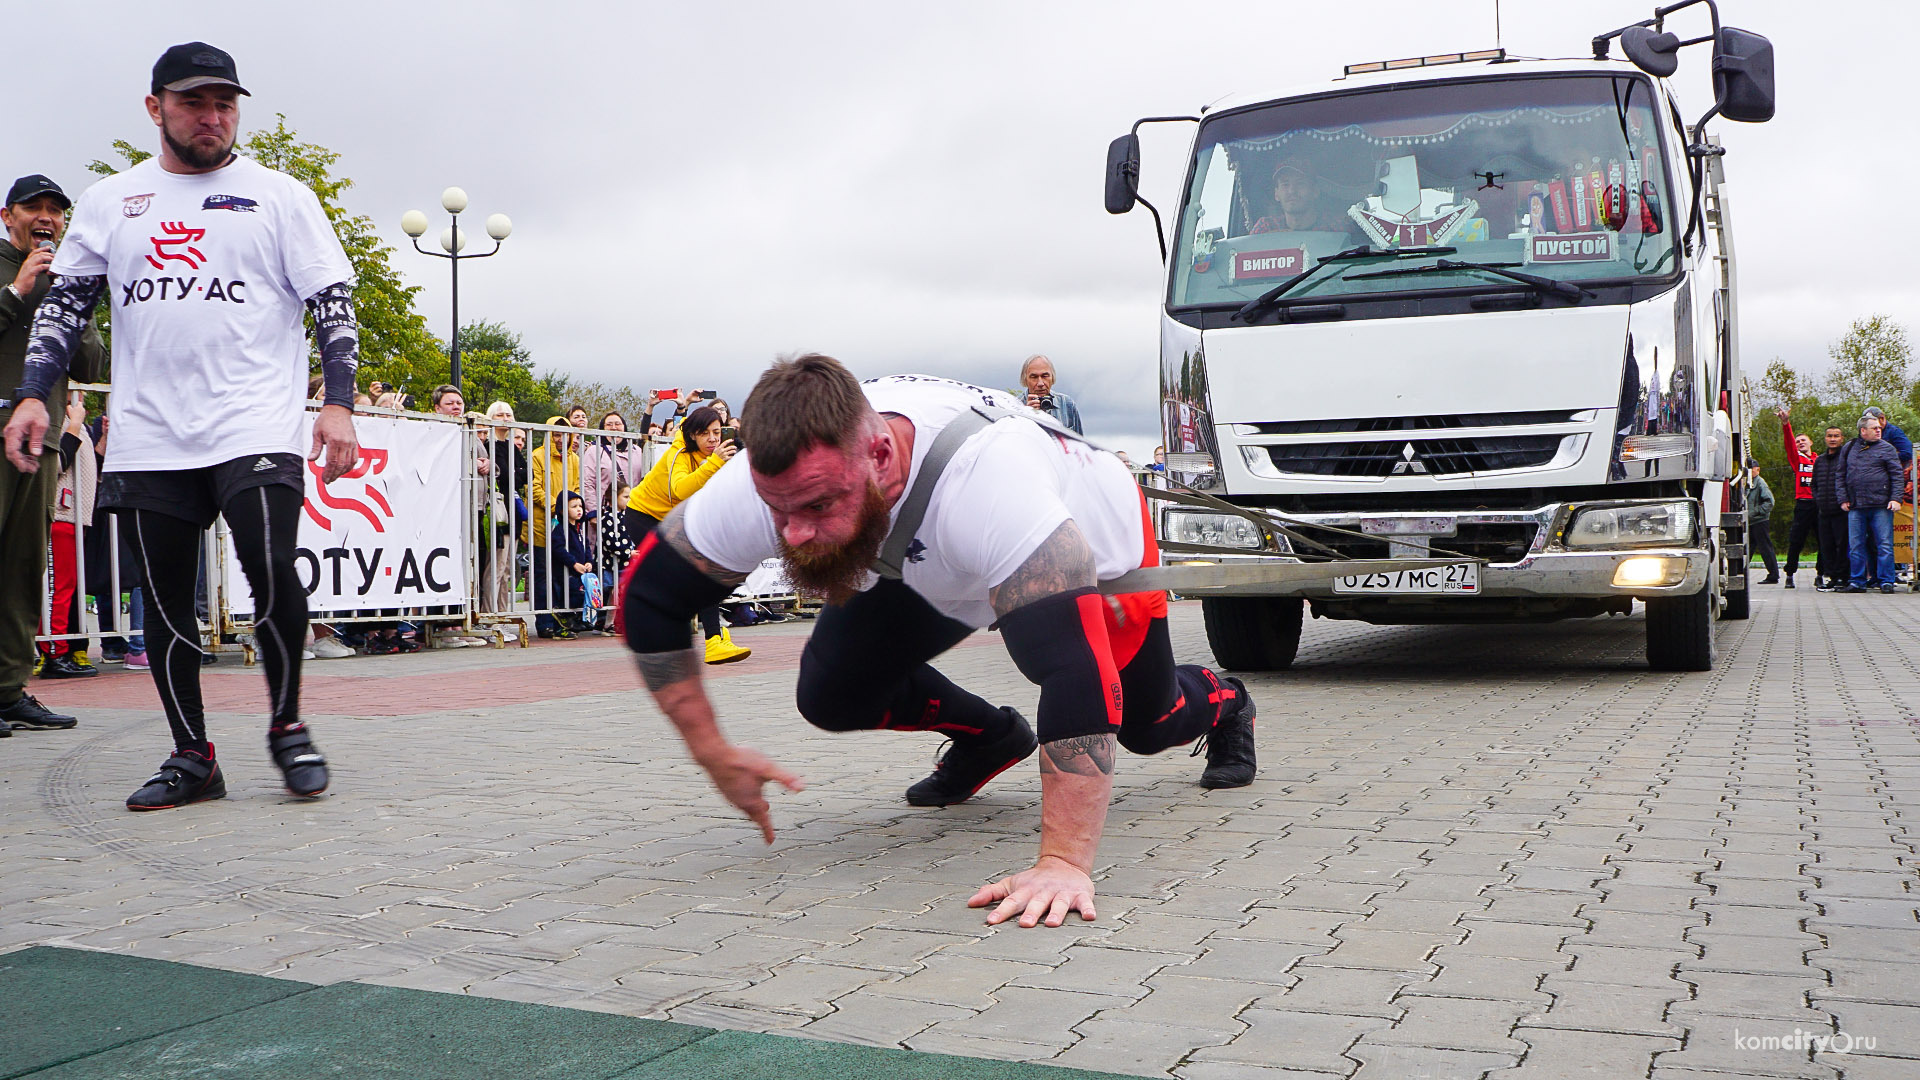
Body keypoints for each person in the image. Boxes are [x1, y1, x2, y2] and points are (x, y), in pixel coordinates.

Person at [619, 356, 1258, 930]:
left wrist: (1062, 862)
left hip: (1095, 550)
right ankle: (991, 737)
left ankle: (1225, 701)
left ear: (879, 456)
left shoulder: (992, 485)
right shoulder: (791, 476)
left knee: (1145, 725)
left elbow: (1074, 672)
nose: (795, 535)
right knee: (833, 694)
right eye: (778, 510)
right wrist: (710, 749)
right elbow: (648, 600)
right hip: (929, 557)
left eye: (815, 506)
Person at [5, 42, 354, 807]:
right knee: (164, 597)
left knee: (269, 565)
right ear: (154, 107)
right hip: (152, 429)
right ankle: (194, 756)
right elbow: (65, 307)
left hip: (254, 420)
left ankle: (288, 726)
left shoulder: (280, 195)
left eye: (225, 103)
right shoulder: (110, 200)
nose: (212, 117)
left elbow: (332, 301)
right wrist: (34, 390)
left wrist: (339, 401)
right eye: (194, 102)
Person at [2, 174, 105, 735]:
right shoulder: (9, 272)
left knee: (22, 568)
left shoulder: (64, 280)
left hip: (40, 447)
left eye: (55, 211)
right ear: (6, 215)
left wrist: (72, 303)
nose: (46, 218)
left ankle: (8, 688)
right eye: (34, 208)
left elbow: (91, 366)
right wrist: (17, 291)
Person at [624, 405, 749, 664]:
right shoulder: (677, 454)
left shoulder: (714, 455)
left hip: (672, 519)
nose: (713, 439)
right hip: (642, 516)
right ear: (693, 435)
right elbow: (680, 489)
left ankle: (714, 638)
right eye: (705, 434)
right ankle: (668, 634)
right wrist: (715, 463)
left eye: (717, 432)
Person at [528, 409, 583, 637]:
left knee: (564, 576)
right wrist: (557, 507)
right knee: (543, 577)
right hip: (543, 527)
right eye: (556, 434)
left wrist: (570, 511)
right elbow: (534, 488)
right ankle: (544, 623)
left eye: (565, 434)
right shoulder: (537, 456)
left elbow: (577, 489)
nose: (561, 439)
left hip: (566, 528)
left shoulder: (575, 459)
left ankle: (565, 621)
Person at [1837, 415, 1904, 594]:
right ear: (1863, 430)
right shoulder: (1849, 448)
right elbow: (1841, 474)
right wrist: (1843, 498)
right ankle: (1857, 581)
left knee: (1884, 544)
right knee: (1856, 545)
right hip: (1856, 505)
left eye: (1879, 427)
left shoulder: (1887, 449)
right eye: (1874, 428)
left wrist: (1896, 498)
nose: (1878, 430)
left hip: (1881, 505)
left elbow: (1897, 475)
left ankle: (1886, 581)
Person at [580, 409, 644, 558]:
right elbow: (587, 483)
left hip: (631, 513)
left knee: (631, 553)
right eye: (609, 425)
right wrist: (593, 513)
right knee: (606, 556)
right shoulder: (594, 451)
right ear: (602, 429)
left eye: (617, 424)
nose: (614, 427)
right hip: (604, 515)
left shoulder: (637, 451)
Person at [1776, 408, 1818, 588]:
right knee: (1796, 540)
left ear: (1811, 443)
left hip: (1818, 505)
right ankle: (1790, 574)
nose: (1800, 443)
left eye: (1803, 440)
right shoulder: (1797, 460)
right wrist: (1786, 424)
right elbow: (1789, 444)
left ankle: (1821, 574)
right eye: (1798, 441)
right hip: (1802, 504)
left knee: (1824, 540)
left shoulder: (1819, 460)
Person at [1250, 162, 1347, 235]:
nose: (1292, 191)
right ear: (1276, 194)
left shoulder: (1336, 227)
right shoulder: (1266, 228)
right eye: (1285, 184)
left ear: (1315, 191)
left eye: (1300, 183)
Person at [1810, 423, 1848, 591]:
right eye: (1829, 436)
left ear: (1842, 439)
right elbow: (1814, 484)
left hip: (1841, 511)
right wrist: (1819, 500)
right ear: (1825, 438)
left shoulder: (1845, 459)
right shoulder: (1819, 460)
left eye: (1836, 436)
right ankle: (1832, 577)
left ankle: (1843, 577)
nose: (1832, 439)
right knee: (1827, 546)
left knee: (1842, 545)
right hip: (1823, 511)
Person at [1018, 355, 1083, 435]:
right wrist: (1027, 414)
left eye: (1045, 376)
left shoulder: (1066, 404)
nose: (1040, 383)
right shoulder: (1016, 407)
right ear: (1025, 380)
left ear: (1052, 378)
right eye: (1034, 377)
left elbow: (1079, 443)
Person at [1862, 406, 1913, 502]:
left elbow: (1907, 453)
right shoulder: (1866, 437)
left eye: (1873, 421)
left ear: (1882, 418)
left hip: (1893, 479)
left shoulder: (1894, 432)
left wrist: (1882, 459)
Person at [1743, 458, 1776, 584]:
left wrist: (1756, 512)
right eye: (1748, 469)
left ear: (1758, 469)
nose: (1750, 471)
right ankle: (1743, 573)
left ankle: (1773, 575)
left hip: (1760, 521)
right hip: (1751, 522)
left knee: (1765, 548)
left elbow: (1770, 502)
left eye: (1752, 469)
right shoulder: (1748, 483)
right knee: (1748, 549)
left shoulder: (1760, 483)